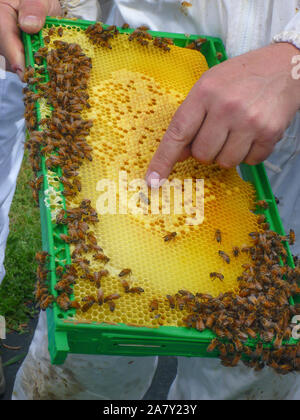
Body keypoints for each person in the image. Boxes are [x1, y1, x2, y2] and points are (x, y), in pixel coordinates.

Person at [0, 0, 299, 400]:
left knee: (254, 361)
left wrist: (293, 59)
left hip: (285, 145)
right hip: (128, 81)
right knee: (90, 331)